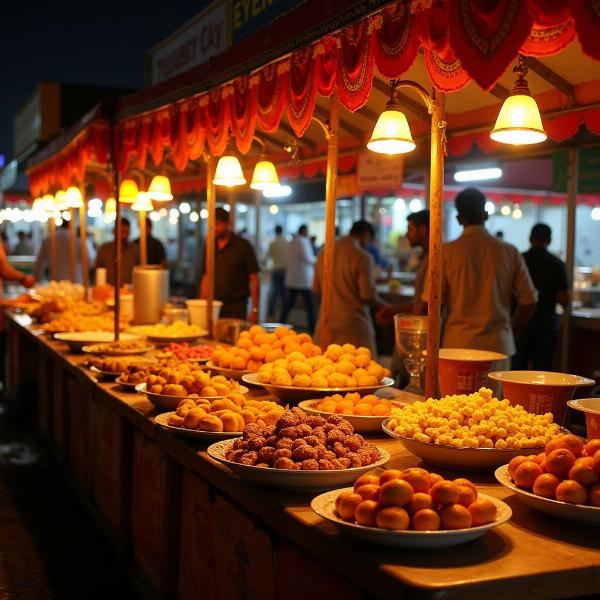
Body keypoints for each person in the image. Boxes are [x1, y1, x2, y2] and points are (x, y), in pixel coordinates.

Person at [435, 188, 537, 365]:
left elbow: (434, 303)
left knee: (454, 393)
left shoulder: (445, 253)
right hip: (498, 346)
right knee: (496, 394)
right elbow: (529, 300)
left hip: (457, 345)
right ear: (486, 215)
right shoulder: (509, 252)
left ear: (459, 219)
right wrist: (510, 331)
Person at [313, 220, 388, 353]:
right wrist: (385, 307)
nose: (368, 244)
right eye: (370, 239)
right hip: (354, 327)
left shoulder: (324, 252)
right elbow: (367, 295)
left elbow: (316, 288)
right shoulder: (362, 257)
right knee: (360, 370)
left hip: (325, 324)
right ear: (365, 234)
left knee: (324, 370)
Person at [512, 224, 569, 370]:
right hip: (546, 326)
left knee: (517, 373)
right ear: (549, 240)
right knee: (543, 373)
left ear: (530, 238)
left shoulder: (519, 260)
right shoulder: (557, 264)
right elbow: (564, 298)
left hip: (520, 325)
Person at [199, 207, 260, 322]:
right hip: (213, 305)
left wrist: (255, 310)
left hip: (236, 307)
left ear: (229, 224)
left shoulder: (243, 246)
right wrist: (202, 304)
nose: (215, 228)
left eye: (218, 224)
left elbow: (255, 279)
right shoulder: (210, 246)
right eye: (212, 225)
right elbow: (206, 276)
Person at [376, 209, 430, 323]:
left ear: (423, 230)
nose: (406, 234)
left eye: (410, 229)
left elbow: (427, 305)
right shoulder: (425, 258)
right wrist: (394, 311)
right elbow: (420, 303)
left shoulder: (434, 260)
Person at [280, 224, 316, 331]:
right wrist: (320, 259)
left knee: (288, 304)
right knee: (310, 306)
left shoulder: (293, 242)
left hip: (294, 279)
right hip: (303, 280)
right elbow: (309, 259)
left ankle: (280, 323)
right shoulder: (303, 242)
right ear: (305, 231)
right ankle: (313, 328)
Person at [94, 218, 140, 286]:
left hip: (129, 290)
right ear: (114, 231)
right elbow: (98, 270)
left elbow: (139, 270)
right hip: (109, 290)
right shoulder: (104, 249)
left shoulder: (135, 249)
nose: (124, 235)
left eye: (127, 232)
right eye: (122, 231)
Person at [264, 225, 288, 319]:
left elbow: (267, 256)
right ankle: (282, 314)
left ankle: (271, 312)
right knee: (283, 294)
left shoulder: (273, 243)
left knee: (274, 293)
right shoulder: (286, 242)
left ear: (275, 231)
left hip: (276, 270)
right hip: (285, 271)